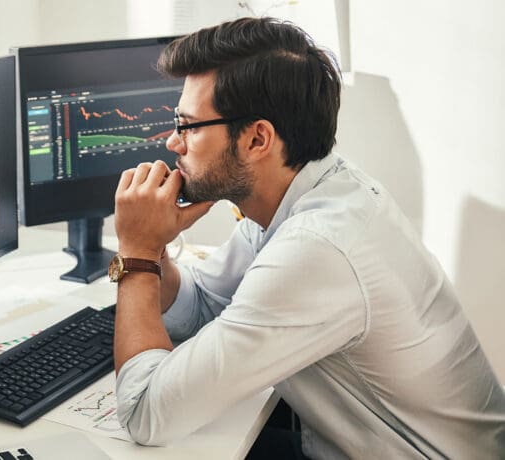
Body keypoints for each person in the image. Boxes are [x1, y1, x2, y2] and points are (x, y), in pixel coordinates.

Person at [110, 17, 505, 459]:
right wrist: (154, 247)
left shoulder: (317, 247)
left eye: (189, 126)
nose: (174, 143)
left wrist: (137, 252)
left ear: (257, 139)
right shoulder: (303, 192)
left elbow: (145, 413)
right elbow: (203, 306)